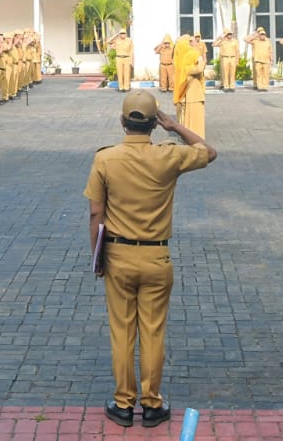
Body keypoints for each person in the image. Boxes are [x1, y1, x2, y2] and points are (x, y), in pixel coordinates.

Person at [85, 90, 216, 429]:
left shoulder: (105, 159)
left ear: (122, 121)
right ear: (154, 125)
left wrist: (96, 256)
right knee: (153, 333)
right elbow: (208, 152)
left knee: (122, 332)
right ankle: (152, 403)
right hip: (157, 256)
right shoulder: (168, 156)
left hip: (118, 254)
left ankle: (124, 403)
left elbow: (96, 212)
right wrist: (176, 127)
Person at [170, 36, 205, 137]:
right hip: (193, 95)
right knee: (194, 118)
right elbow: (199, 69)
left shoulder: (180, 62)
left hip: (185, 94)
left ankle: (186, 134)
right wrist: (201, 60)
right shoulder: (189, 67)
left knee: (186, 117)